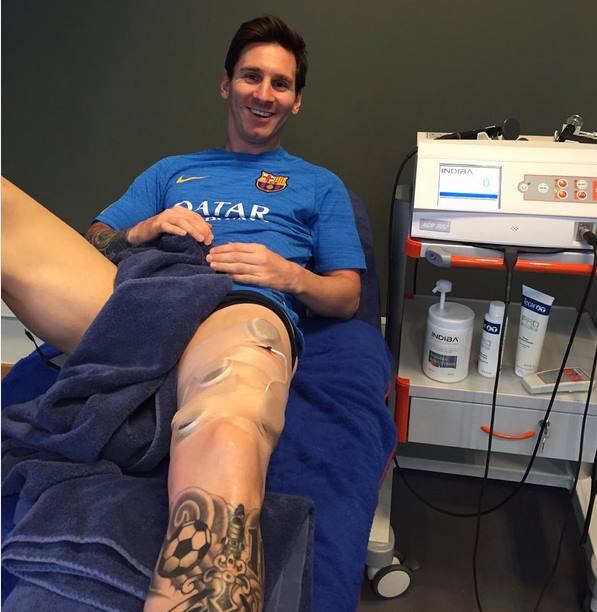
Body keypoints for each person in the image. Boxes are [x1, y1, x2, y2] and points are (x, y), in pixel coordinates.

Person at [2, 15, 365, 612]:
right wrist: (144, 228)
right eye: (251, 76)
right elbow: (95, 241)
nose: (264, 93)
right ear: (226, 84)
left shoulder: (318, 185)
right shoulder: (171, 170)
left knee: (225, 427)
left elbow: (346, 296)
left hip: (234, 308)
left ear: (296, 100)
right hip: (141, 298)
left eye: (280, 83)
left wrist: (288, 275)